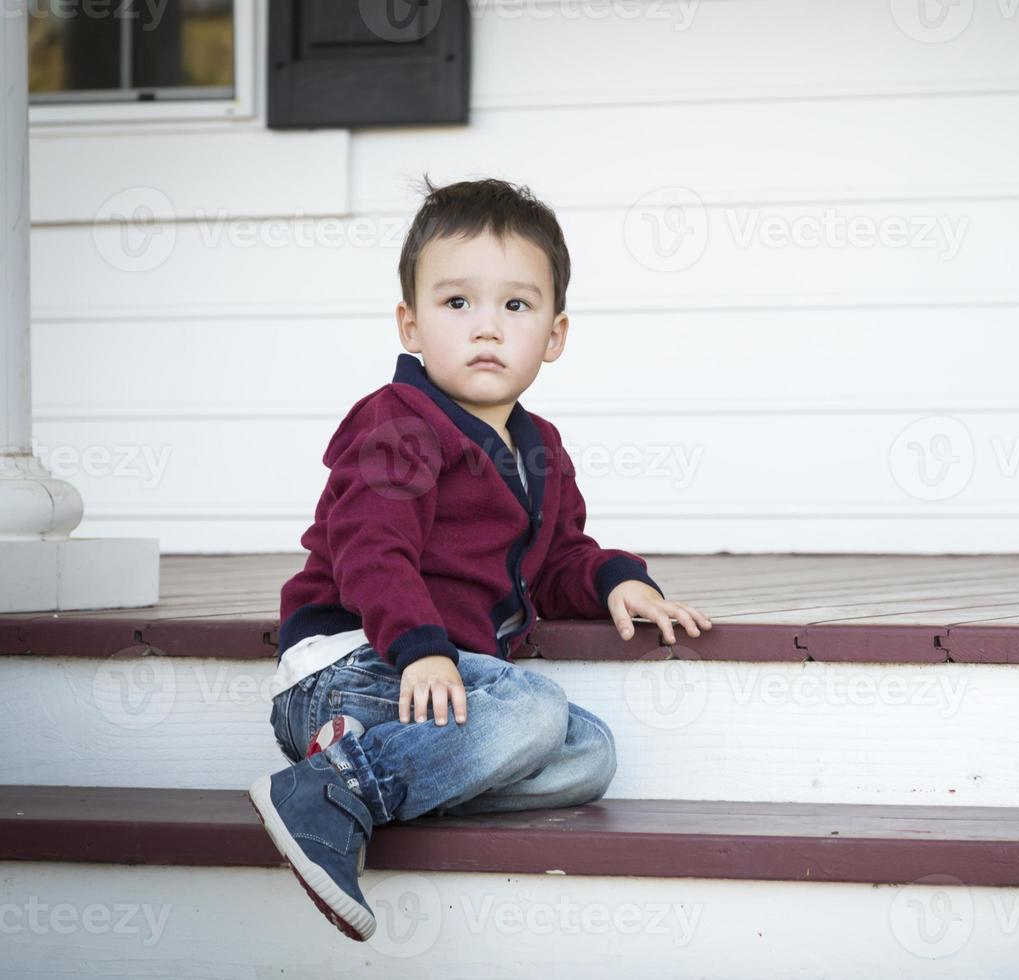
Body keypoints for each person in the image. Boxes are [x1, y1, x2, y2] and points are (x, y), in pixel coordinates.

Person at [248, 176, 714, 941]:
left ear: (555, 336)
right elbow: (373, 551)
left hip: (437, 686)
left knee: (588, 754)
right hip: (359, 663)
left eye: (516, 306)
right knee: (533, 709)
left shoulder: (541, 450)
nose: (487, 329)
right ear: (411, 324)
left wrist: (616, 580)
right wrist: (422, 650)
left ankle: (361, 774)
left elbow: (557, 559)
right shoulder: (400, 425)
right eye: (457, 303)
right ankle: (333, 795)